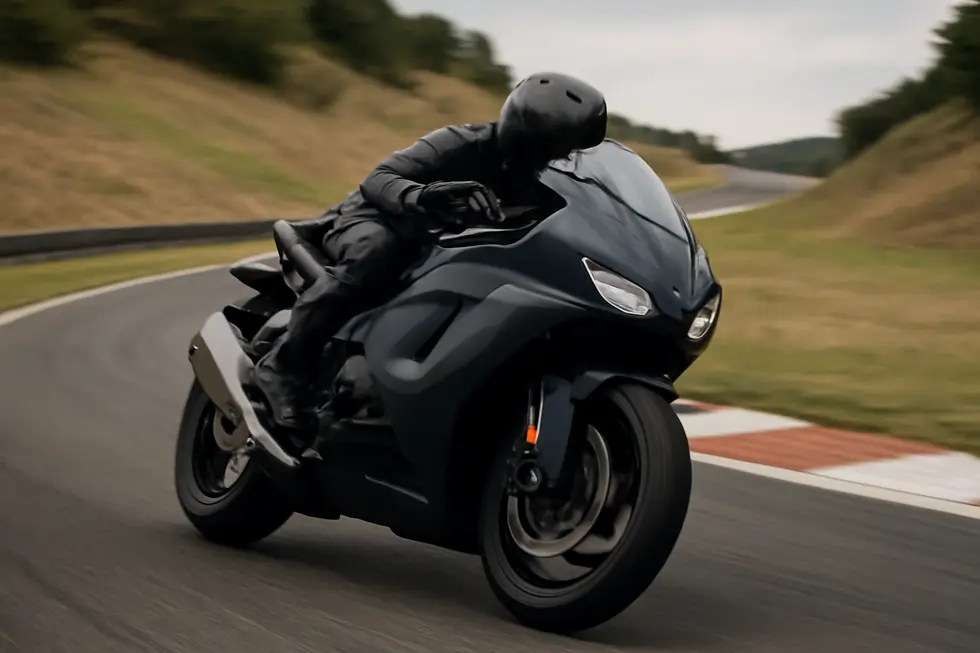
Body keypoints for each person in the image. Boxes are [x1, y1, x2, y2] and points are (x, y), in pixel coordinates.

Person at [252, 71, 608, 433]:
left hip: (441, 252)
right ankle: (282, 366)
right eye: (557, 148)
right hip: (375, 220)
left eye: (570, 150)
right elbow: (378, 179)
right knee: (376, 253)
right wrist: (422, 195)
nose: (562, 158)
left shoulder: (551, 182)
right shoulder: (460, 143)